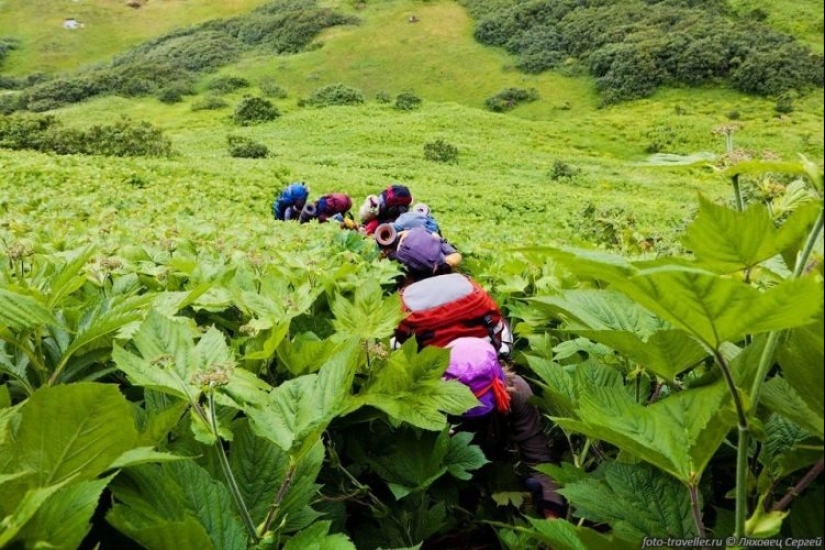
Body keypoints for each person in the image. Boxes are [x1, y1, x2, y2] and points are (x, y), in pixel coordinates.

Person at [445, 337, 566, 519]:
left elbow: (539, 459)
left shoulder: (516, 390)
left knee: (534, 484)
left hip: (497, 461)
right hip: (451, 479)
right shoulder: (427, 406)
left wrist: (553, 518)